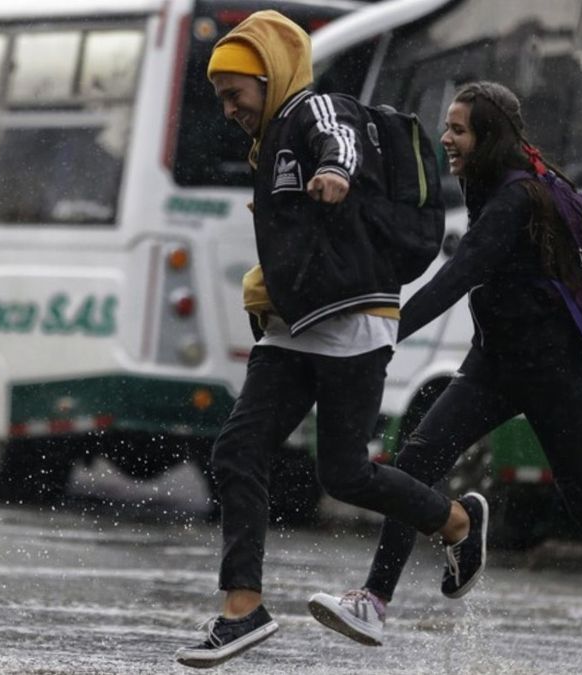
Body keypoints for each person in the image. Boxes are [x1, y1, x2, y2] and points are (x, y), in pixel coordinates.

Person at [307, 81, 582, 672]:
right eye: (446, 127)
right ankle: (373, 602)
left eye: (458, 130)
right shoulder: (484, 182)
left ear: (488, 137)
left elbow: (458, 276)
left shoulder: (517, 196)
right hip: (491, 364)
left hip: (549, 372)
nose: (445, 139)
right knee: (413, 464)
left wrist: (380, 337)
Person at [173, 11, 485, 670]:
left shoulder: (312, 111)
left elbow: (340, 140)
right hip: (295, 330)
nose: (229, 109)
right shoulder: (267, 145)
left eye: (237, 94)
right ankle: (242, 608)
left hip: (353, 320)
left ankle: (455, 522)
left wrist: (337, 173)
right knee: (237, 451)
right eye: (221, 98)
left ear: (272, 75)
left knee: (343, 473)